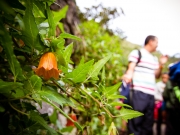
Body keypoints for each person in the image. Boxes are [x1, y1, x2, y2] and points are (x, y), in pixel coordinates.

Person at [123, 35, 168, 135]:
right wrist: (128, 75)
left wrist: (161, 64)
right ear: (151, 42)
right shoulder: (137, 53)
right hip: (138, 92)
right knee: (136, 121)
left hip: (150, 94)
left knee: (148, 123)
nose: (157, 46)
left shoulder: (154, 59)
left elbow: (157, 75)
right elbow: (131, 67)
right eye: (156, 43)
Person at [163, 62, 180, 135]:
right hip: (174, 108)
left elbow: (165, 96)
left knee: (171, 129)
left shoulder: (170, 82)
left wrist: (163, 109)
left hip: (171, 109)